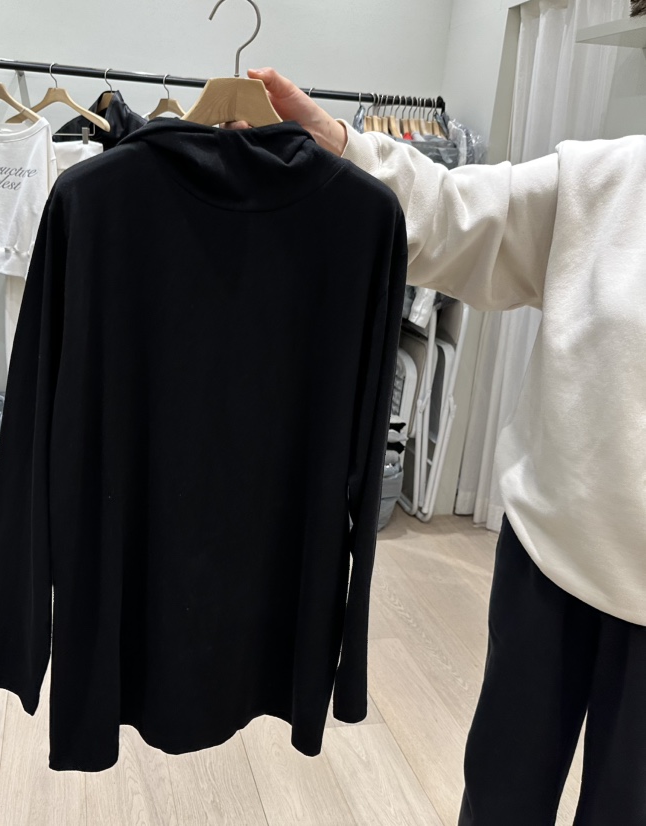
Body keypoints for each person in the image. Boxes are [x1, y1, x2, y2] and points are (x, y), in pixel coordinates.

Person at [243, 68, 646, 825]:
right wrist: (342, 148)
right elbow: (456, 214)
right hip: (552, 555)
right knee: (500, 793)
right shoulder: (611, 179)